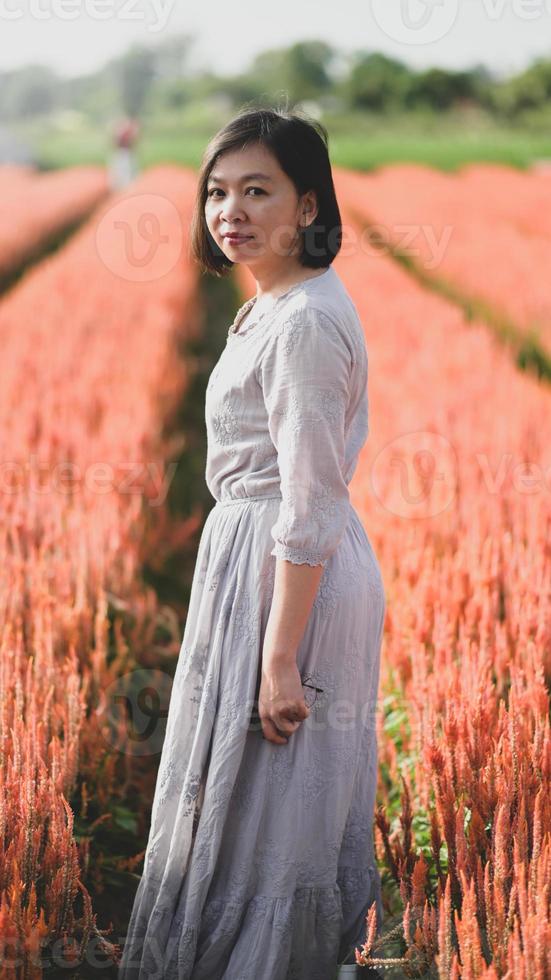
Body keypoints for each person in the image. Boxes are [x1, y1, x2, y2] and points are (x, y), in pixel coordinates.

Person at [118, 106, 386, 979]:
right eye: (216, 191)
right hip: (259, 560)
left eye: (257, 191)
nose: (229, 210)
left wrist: (279, 659)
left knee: (273, 808)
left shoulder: (302, 320)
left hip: (288, 575)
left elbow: (310, 498)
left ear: (308, 205)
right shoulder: (274, 304)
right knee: (251, 802)